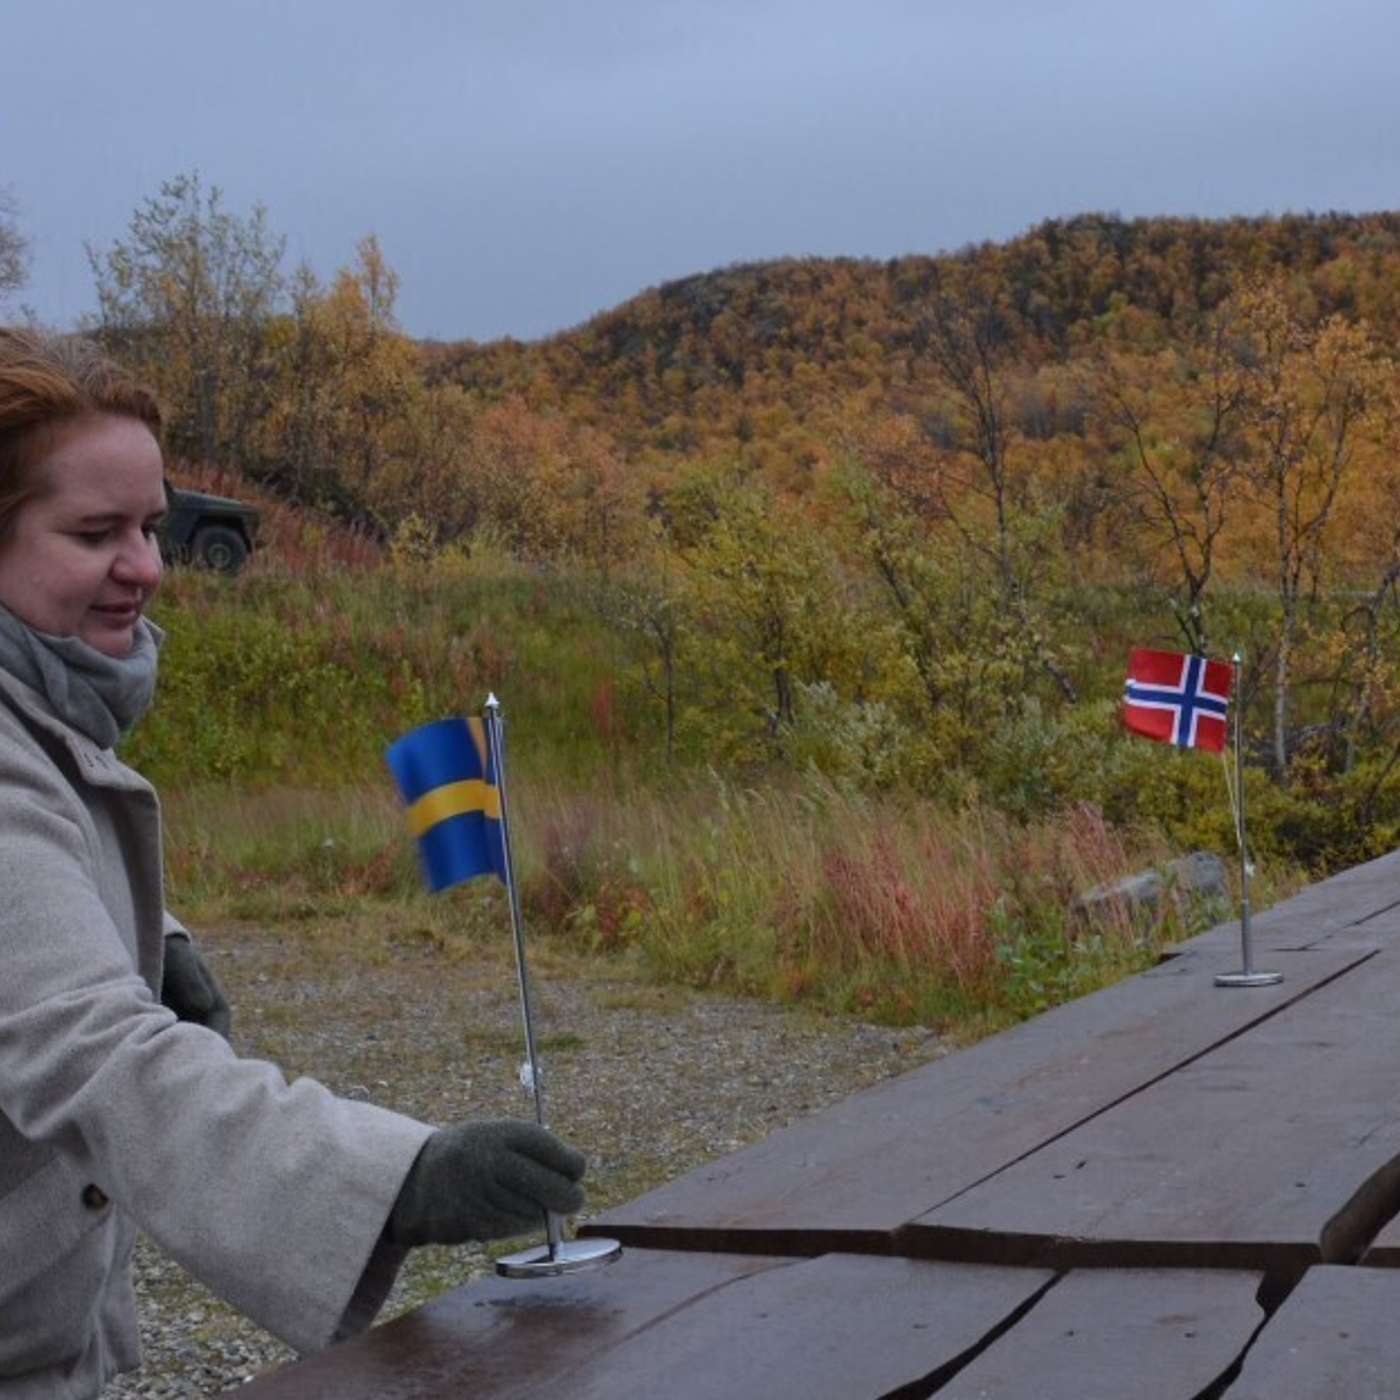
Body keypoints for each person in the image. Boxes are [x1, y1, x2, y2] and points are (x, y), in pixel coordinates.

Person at [0, 328, 588, 1398]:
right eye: (94, 532)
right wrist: (393, 1176)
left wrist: (155, 936)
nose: (145, 567)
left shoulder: (43, 694)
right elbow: (95, 1052)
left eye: (149, 524)